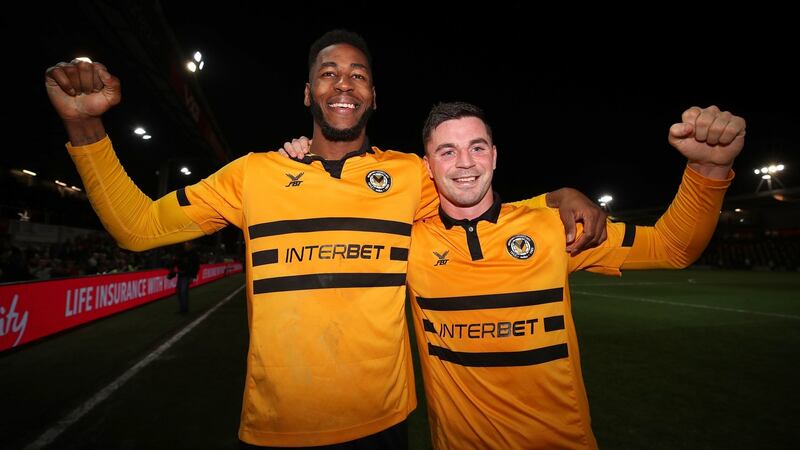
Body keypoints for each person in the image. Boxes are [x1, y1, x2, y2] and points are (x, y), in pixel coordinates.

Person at [44, 30, 606, 448]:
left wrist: (557, 197)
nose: (344, 83)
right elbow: (138, 228)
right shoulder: (254, 175)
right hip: (276, 430)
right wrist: (84, 127)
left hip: (385, 426)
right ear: (308, 93)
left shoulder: (410, 174)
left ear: (374, 96)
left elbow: (480, 201)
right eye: (329, 73)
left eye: (358, 74)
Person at [406, 101, 744, 449]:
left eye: (476, 147)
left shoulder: (554, 226)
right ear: (428, 167)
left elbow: (671, 248)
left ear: (494, 156)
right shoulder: (409, 243)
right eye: (447, 152)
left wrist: (708, 169)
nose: (465, 162)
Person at [171, 241, 200, 314]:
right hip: (181, 275)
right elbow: (178, 262)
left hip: (187, 275)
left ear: (191, 245)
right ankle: (182, 308)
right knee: (179, 292)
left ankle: (184, 310)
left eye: (187, 244)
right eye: (185, 244)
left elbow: (196, 266)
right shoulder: (182, 253)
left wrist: (192, 276)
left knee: (183, 292)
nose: (185, 245)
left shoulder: (194, 254)